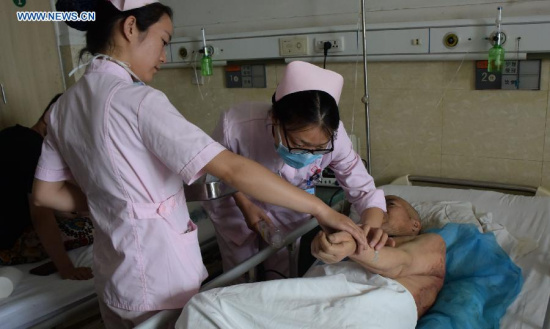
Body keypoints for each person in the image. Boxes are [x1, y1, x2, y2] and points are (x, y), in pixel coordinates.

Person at [31, 1, 368, 327]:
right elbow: (233, 169)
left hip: (112, 275)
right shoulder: (139, 101)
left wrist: (112, 203)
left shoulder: (63, 106)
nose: (164, 56)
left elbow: (45, 194)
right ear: (130, 27)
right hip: (160, 275)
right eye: (163, 41)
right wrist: (322, 210)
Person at [204, 61, 389, 280]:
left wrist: (368, 230)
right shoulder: (236, 125)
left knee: (282, 268)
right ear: (274, 119)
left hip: (291, 207)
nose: (308, 154)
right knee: (239, 266)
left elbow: (365, 192)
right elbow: (215, 171)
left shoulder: (336, 138)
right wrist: (244, 203)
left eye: (319, 149)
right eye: (299, 144)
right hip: (234, 202)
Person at [0, 94, 93, 280]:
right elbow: (41, 216)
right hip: (5, 246)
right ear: (49, 119)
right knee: (89, 228)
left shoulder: (11, 134)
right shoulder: (36, 153)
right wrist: (67, 269)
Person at [311, 194, 445, 318]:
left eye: (390, 204)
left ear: (414, 225)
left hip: (366, 310)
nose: (379, 208)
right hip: (314, 297)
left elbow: (401, 263)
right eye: (376, 204)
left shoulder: (433, 242)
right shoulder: (349, 239)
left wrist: (355, 246)